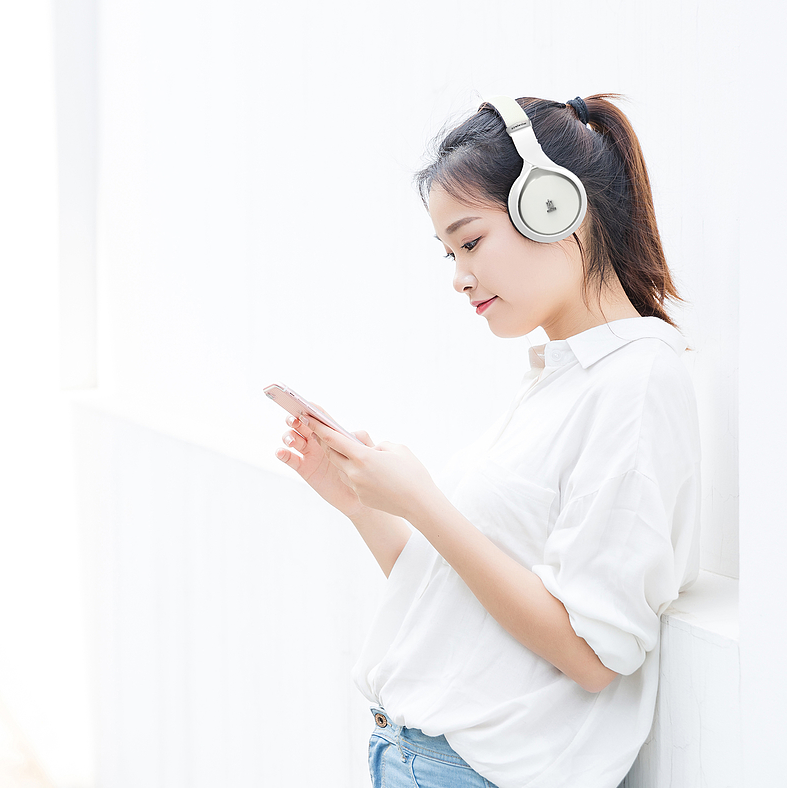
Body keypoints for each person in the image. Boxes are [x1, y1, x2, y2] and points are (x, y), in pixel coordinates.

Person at [275, 94, 701, 788]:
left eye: (470, 241)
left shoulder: (636, 383)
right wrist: (367, 506)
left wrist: (424, 502)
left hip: (477, 773)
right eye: (448, 251)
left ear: (554, 208)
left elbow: (593, 655)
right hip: (414, 756)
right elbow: (466, 594)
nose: (457, 275)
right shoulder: (563, 380)